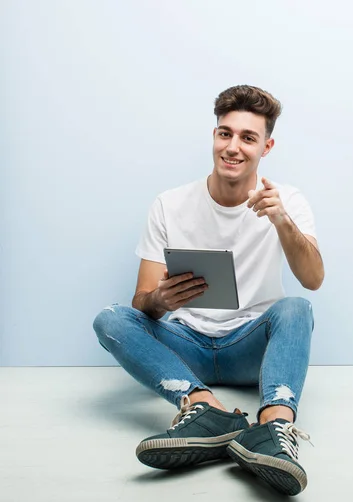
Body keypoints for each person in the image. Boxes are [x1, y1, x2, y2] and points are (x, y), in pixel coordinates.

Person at [92, 85, 324, 496]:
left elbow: (313, 279)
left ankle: (272, 428)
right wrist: (159, 301)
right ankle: (206, 409)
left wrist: (282, 222)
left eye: (248, 138)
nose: (233, 147)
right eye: (225, 134)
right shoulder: (169, 203)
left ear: (266, 147)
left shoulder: (286, 200)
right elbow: (140, 300)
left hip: (251, 348)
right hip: (188, 347)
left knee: (296, 308)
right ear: (215, 135)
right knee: (110, 319)